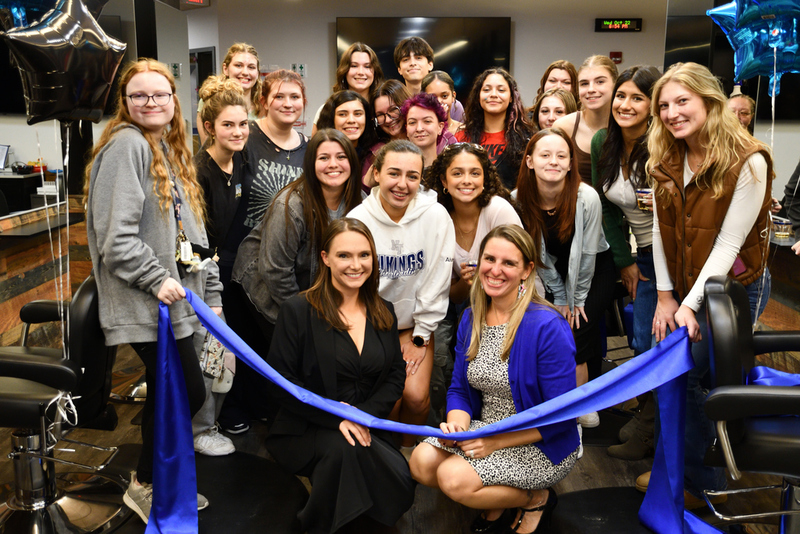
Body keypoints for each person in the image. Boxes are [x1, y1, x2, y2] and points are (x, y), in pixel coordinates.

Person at [84, 59, 220, 523]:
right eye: (138, 95)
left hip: (174, 303)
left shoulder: (163, 148)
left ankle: (155, 481)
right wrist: (155, 277)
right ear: (124, 104)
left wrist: (209, 287)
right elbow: (115, 238)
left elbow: (188, 234)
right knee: (186, 392)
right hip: (147, 301)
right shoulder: (126, 146)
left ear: (173, 100)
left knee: (178, 394)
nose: (150, 102)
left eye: (159, 94)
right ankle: (144, 485)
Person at [647, 62, 773, 507]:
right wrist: (666, 296)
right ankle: (679, 470)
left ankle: (707, 481)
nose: (672, 113)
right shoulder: (664, 157)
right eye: (664, 105)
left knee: (698, 376)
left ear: (709, 101)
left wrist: (690, 304)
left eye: (682, 101)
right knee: (671, 373)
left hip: (732, 289)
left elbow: (728, 245)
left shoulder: (750, 159)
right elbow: (658, 234)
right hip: (683, 287)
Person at [409, 224, 579, 534]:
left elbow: (561, 417)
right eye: (490, 259)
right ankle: (495, 499)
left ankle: (534, 498)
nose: (495, 270)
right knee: (420, 462)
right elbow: (459, 389)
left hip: (538, 442)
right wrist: (457, 427)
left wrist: (494, 442)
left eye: (509, 263)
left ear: (527, 270)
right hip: (485, 430)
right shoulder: (472, 316)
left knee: (452, 478)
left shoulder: (548, 326)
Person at [266, 218, 415, 534]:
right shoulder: (297, 310)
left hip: (366, 425)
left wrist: (361, 416)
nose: (356, 264)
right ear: (325, 259)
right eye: (344, 255)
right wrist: (338, 418)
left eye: (364, 255)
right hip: (308, 426)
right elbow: (281, 383)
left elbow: (394, 376)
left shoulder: (384, 310)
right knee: (343, 452)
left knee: (390, 470)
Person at [228, 129, 363, 424]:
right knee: (297, 354)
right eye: (323, 157)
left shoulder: (360, 202)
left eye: (341, 157)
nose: (333, 164)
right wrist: (307, 320)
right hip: (265, 286)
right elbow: (275, 270)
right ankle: (288, 425)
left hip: (309, 288)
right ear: (311, 163)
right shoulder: (291, 204)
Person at [348, 140, 455, 456]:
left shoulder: (435, 216)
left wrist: (420, 338)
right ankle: (387, 457)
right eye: (394, 173)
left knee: (416, 397)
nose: (402, 184)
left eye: (412, 176)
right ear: (376, 173)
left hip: (414, 325)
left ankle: (407, 453)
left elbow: (437, 281)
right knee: (389, 401)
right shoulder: (358, 220)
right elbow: (349, 287)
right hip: (369, 326)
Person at [516, 128, 616, 431]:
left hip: (595, 269)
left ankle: (578, 406)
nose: (554, 161)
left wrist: (575, 301)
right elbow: (538, 255)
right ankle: (554, 403)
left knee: (578, 324)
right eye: (545, 155)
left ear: (572, 163)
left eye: (562, 156)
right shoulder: (518, 200)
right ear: (530, 161)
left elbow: (585, 256)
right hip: (549, 273)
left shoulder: (587, 197)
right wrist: (559, 296)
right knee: (550, 326)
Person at [591, 65, 661, 460]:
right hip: (643, 254)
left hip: (673, 255)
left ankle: (650, 430)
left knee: (653, 344)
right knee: (641, 341)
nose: (626, 104)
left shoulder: (665, 144)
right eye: (621, 96)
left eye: (637, 97)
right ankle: (648, 420)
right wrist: (624, 261)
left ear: (653, 105)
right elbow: (605, 207)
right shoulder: (604, 141)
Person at [192, 75, 250, 456]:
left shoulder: (241, 161)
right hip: (200, 275)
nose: (238, 131)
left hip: (230, 270)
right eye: (228, 124)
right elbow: (195, 241)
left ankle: (214, 421)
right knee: (209, 357)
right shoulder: (199, 172)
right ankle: (201, 430)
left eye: (243, 123)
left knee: (226, 353)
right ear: (209, 128)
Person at [423, 143, 522, 306]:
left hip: (514, 300)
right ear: (444, 181)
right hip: (469, 307)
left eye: (475, 173)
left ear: (484, 179)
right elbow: (454, 296)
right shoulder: (438, 218)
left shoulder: (498, 210)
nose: (467, 181)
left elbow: (521, 273)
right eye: (457, 173)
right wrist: (466, 280)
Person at [243, 69, 308, 230]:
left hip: (289, 248)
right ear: (264, 102)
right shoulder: (244, 136)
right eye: (279, 97)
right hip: (245, 248)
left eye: (295, 97)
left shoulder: (309, 149)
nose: (288, 104)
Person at [457, 68, 533, 191]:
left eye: (501, 90)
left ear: (511, 98)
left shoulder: (526, 140)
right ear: (478, 96)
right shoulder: (461, 138)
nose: (493, 94)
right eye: (486, 90)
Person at [554, 56, 618, 184]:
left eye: (600, 82)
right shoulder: (564, 126)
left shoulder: (626, 126)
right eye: (584, 84)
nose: (591, 89)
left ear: (616, 84)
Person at [311, 42, 384, 136]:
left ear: (375, 72)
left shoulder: (382, 110)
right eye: (354, 66)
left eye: (367, 66)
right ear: (344, 71)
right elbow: (315, 147)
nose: (361, 72)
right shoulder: (327, 109)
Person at [197, 43, 261, 146]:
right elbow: (209, 147)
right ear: (225, 69)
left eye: (251, 67)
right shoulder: (210, 102)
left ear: (257, 73)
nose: (245, 72)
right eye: (238, 65)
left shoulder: (265, 105)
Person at [394, 36, 465, 120]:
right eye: (406, 59)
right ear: (399, 69)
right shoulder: (395, 105)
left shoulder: (453, 106)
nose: (412, 63)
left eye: (418, 58)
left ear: (430, 64)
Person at [363, 80, 412, 187]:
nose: (388, 120)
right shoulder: (374, 153)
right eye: (380, 115)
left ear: (406, 106)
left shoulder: (424, 140)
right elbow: (363, 194)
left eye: (393, 110)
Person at [317, 90, 377, 168]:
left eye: (358, 114)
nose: (351, 120)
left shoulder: (374, 155)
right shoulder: (318, 154)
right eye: (342, 114)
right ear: (331, 119)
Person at [401, 91, 453, 168]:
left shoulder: (448, 170)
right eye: (412, 122)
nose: (419, 129)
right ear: (406, 129)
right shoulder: (400, 170)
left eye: (427, 121)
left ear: (440, 127)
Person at [422, 70, 463, 135]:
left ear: (453, 96)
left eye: (444, 96)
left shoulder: (465, 130)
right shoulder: (420, 132)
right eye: (433, 97)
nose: (439, 101)